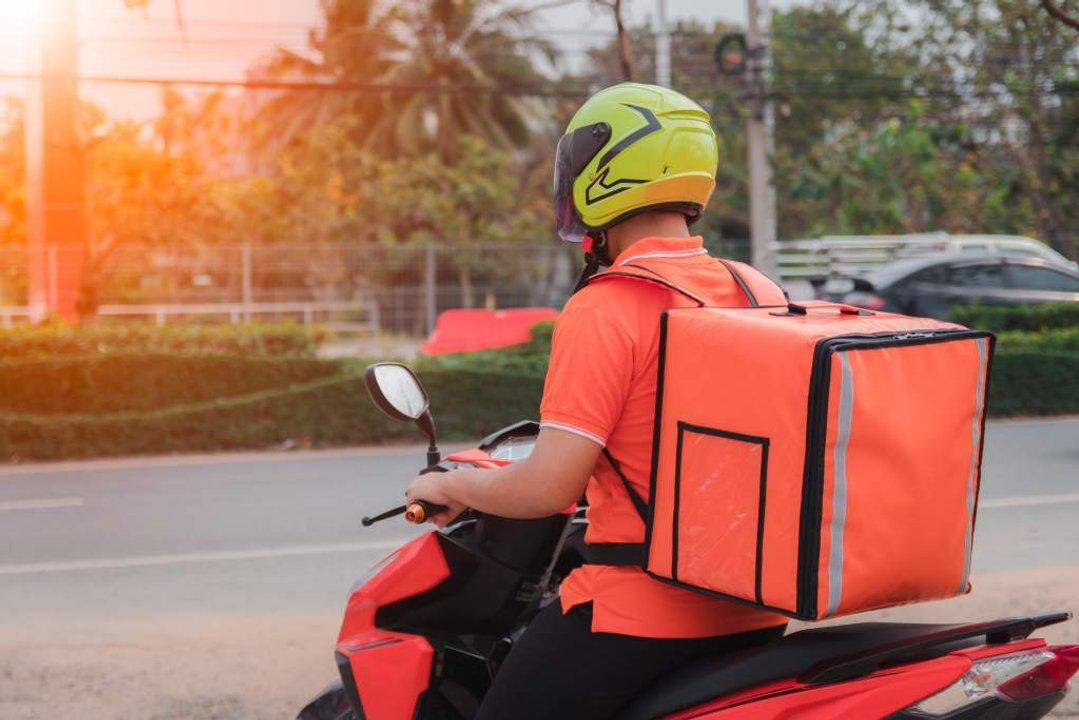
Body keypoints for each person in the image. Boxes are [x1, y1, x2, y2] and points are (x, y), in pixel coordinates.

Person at [406, 82, 788, 720]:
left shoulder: (608, 306)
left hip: (640, 611)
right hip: (755, 607)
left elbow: (548, 489)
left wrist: (457, 487)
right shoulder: (756, 291)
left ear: (606, 171)